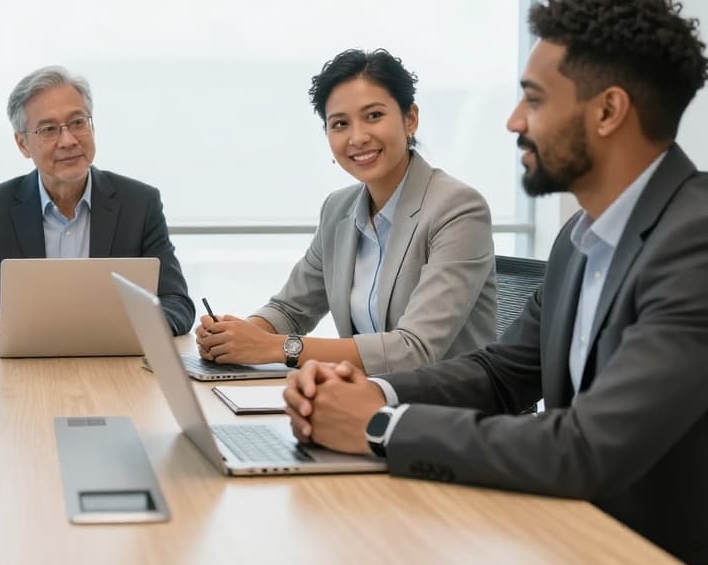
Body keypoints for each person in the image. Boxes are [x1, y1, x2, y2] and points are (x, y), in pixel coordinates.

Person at [283, 0, 708, 565]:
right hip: (584, 537)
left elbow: (588, 449)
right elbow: (502, 374)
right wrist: (377, 393)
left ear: (607, 111)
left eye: (535, 100)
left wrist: (377, 426)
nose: (514, 121)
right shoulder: (582, 237)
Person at [195, 49, 496, 373]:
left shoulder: (458, 209)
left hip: (451, 413)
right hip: (370, 404)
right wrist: (236, 335)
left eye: (374, 116)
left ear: (410, 119)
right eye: (340, 123)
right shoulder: (338, 210)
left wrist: (273, 347)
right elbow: (291, 309)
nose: (358, 137)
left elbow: (415, 349)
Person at [0, 65, 194, 341]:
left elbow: (177, 302)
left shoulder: (140, 203)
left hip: (118, 367)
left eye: (78, 122)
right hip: (24, 370)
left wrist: (132, 329)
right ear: (22, 144)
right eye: (48, 129)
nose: (68, 141)